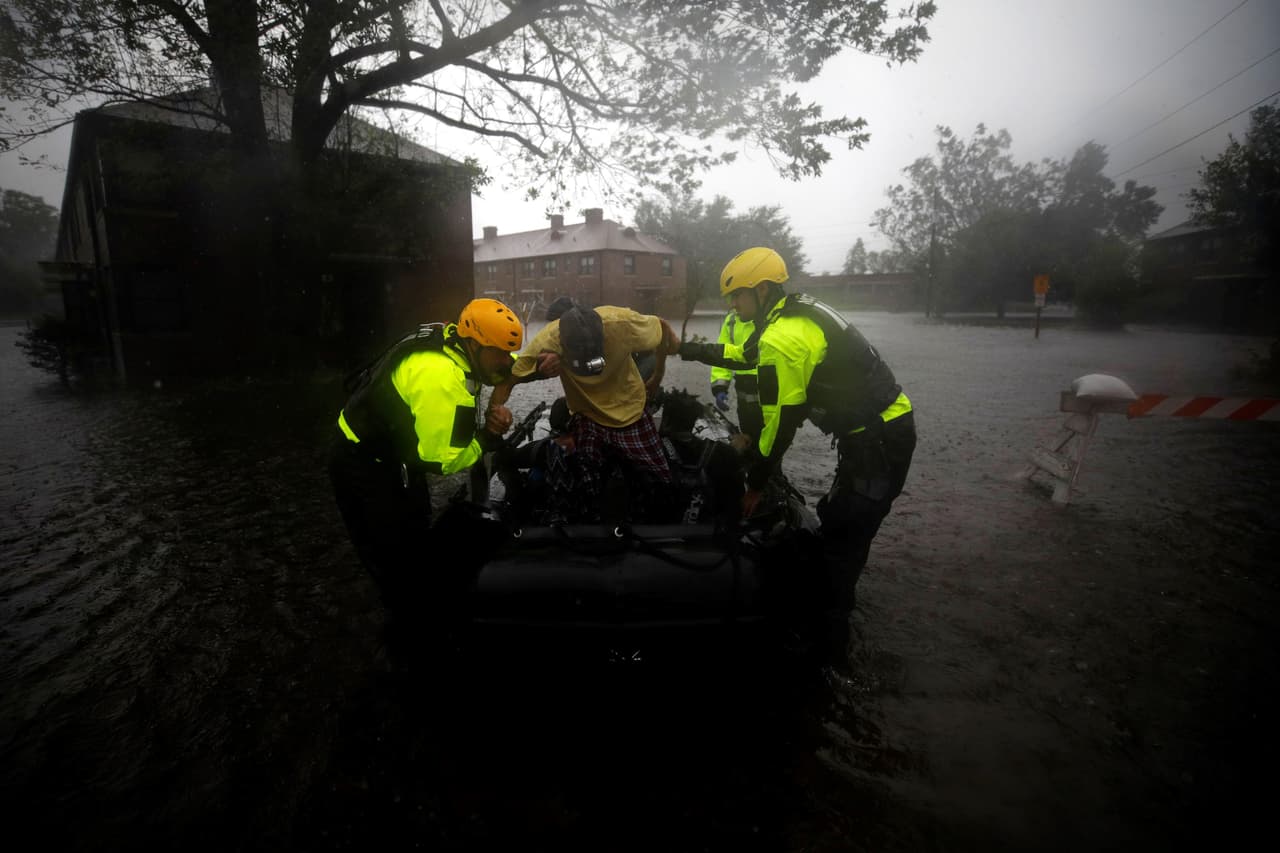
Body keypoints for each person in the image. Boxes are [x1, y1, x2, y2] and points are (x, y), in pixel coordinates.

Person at [678, 247, 916, 670]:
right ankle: (833, 625)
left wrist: (755, 484)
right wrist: (692, 351)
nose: (732, 305)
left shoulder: (783, 338)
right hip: (877, 434)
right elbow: (748, 356)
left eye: (737, 296)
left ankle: (829, 660)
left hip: (878, 444)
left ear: (763, 289)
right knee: (842, 529)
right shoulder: (791, 314)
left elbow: (781, 424)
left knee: (842, 544)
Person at [328, 298, 522, 607]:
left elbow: (504, 365)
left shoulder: (453, 342)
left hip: (394, 452)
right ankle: (404, 616)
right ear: (473, 344)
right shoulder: (442, 380)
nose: (506, 360)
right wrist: (487, 437)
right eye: (499, 353)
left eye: (508, 352)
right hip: (362, 462)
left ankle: (416, 590)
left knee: (416, 524)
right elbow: (443, 461)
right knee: (392, 556)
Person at [488, 302, 681, 522]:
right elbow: (507, 381)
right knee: (586, 483)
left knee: (662, 482)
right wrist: (495, 417)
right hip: (588, 416)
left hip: (631, 411)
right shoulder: (547, 341)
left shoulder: (621, 323)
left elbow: (663, 329)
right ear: (562, 344)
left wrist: (658, 374)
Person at [709, 308, 762, 443]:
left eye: (738, 295)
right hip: (743, 395)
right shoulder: (731, 321)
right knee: (747, 440)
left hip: (768, 396)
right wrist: (719, 388)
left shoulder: (773, 320)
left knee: (769, 446)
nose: (734, 303)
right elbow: (722, 355)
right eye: (732, 297)